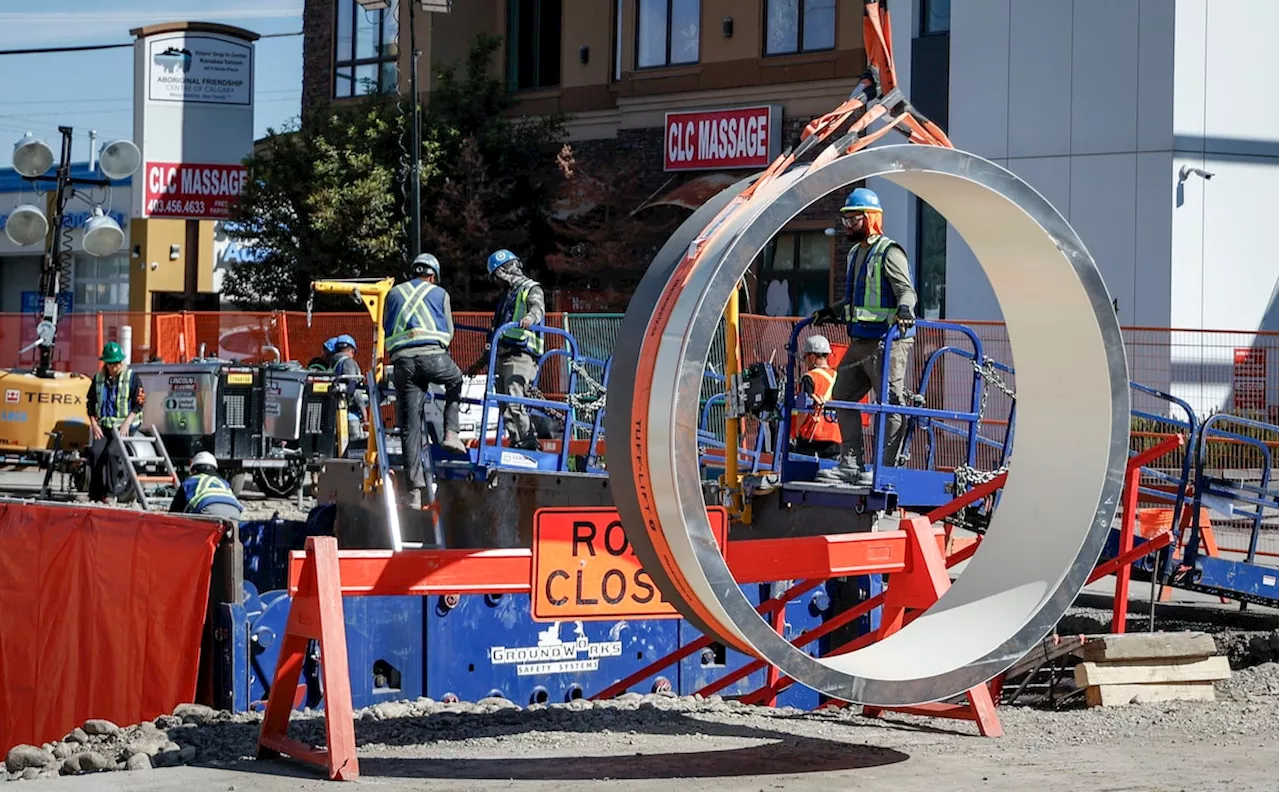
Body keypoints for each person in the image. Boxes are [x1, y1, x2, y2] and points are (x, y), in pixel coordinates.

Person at [811, 187, 917, 486]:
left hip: (887, 342)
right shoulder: (856, 253)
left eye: (853, 219)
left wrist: (906, 309)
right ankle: (852, 464)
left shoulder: (889, 251)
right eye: (845, 219)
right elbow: (854, 302)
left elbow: (906, 291)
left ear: (870, 219)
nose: (847, 225)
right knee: (842, 396)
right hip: (860, 342)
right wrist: (830, 312)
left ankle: (886, 470)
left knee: (890, 402)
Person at [384, 253, 467, 509]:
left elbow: (387, 326)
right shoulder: (439, 293)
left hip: (402, 362)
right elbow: (448, 332)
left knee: (410, 426)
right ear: (433, 276)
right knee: (455, 380)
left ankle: (414, 492)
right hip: (432, 357)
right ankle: (451, 433)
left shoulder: (393, 293)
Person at [487, 248, 544, 451]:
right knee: (504, 404)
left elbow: (537, 308)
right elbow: (497, 331)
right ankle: (516, 440)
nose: (497, 281)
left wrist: (529, 319)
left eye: (497, 276)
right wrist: (481, 361)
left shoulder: (531, 288)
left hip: (521, 355)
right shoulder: (507, 296)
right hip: (502, 354)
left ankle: (529, 442)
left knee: (514, 398)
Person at [84, 341, 145, 502]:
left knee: (112, 454)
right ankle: (95, 494)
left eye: (118, 363)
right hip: (104, 424)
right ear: (106, 364)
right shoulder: (98, 379)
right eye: (112, 364)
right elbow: (90, 403)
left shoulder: (131, 378)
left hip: (125, 425)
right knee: (95, 453)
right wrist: (94, 423)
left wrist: (127, 423)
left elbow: (139, 402)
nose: (115, 367)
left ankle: (111, 494)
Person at [790, 334, 841, 460]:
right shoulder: (837, 376)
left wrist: (797, 429)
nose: (805, 360)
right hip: (834, 434)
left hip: (811, 435)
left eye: (805, 356)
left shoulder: (810, 377)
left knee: (805, 474)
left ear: (812, 357)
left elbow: (804, 409)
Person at [169, 452, 244, 519]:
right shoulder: (223, 482)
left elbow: (174, 513)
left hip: (208, 510)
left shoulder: (190, 482)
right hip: (235, 512)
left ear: (193, 470)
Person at [329, 334, 368, 442]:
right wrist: (363, 410)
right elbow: (353, 388)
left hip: (336, 411)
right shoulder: (349, 362)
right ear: (352, 350)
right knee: (355, 445)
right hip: (351, 415)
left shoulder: (333, 364)